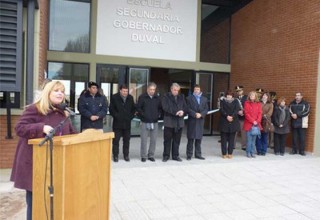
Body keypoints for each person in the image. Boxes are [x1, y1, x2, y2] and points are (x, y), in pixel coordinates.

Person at [10, 81, 77, 220]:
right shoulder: (35, 109)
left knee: (52, 204)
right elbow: (19, 128)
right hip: (35, 165)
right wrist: (41, 128)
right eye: (56, 90)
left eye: (62, 91)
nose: (60, 93)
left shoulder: (63, 113)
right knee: (35, 204)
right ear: (48, 92)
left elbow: (71, 134)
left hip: (55, 166)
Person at [136, 82, 162, 162]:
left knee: (153, 140)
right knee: (144, 140)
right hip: (145, 122)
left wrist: (158, 115)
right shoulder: (142, 97)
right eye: (150, 89)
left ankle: (151, 155)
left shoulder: (157, 98)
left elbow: (160, 108)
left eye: (153, 89)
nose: (152, 91)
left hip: (154, 122)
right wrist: (143, 116)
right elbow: (138, 108)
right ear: (147, 89)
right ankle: (143, 156)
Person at [161, 83, 187, 162]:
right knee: (167, 140)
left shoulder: (181, 97)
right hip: (169, 122)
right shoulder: (166, 97)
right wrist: (176, 112)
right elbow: (165, 108)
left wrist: (183, 112)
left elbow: (186, 107)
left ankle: (175, 156)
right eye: (175, 90)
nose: (176, 92)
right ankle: (166, 155)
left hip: (179, 122)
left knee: (177, 140)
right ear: (171, 89)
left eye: (177, 90)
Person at [109, 84, 136, 162]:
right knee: (116, 141)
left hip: (127, 124)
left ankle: (126, 155)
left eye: (126, 91)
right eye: (124, 91)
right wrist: (117, 116)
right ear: (120, 91)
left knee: (127, 140)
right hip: (117, 123)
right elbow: (111, 109)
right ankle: (115, 156)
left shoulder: (130, 98)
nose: (125, 93)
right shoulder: (114, 97)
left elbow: (133, 109)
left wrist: (130, 117)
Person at [186, 84, 208, 160]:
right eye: (195, 89)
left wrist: (201, 114)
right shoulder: (189, 98)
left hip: (200, 121)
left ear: (200, 90)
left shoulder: (204, 99)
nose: (196, 91)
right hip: (192, 120)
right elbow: (187, 108)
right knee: (190, 139)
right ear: (193, 90)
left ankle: (198, 154)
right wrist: (195, 114)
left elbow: (206, 109)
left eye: (198, 89)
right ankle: (189, 155)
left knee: (198, 139)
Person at [218, 90, 241, 159]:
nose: (229, 96)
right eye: (227, 95)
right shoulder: (222, 100)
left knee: (231, 139)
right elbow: (221, 109)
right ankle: (224, 153)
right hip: (224, 122)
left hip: (233, 122)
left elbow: (237, 110)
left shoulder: (236, 101)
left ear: (232, 96)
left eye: (230, 95)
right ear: (226, 95)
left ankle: (230, 153)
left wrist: (232, 116)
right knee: (223, 139)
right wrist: (227, 116)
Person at [243, 91, 262, 158]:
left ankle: (252, 152)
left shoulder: (258, 103)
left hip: (256, 125)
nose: (252, 96)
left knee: (254, 140)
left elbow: (260, 113)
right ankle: (248, 152)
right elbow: (246, 113)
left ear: (255, 96)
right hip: (249, 124)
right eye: (251, 95)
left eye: (253, 95)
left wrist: (257, 121)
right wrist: (253, 121)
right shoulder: (246, 103)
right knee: (249, 140)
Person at [234, 85, 247, 151]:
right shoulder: (235, 98)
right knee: (234, 131)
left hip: (243, 117)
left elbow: (248, 107)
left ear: (242, 90)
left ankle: (244, 145)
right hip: (236, 117)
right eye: (237, 91)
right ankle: (233, 145)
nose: (239, 92)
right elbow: (233, 107)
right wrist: (238, 112)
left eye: (240, 91)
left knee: (243, 132)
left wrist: (243, 112)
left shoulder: (246, 98)